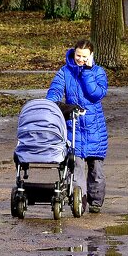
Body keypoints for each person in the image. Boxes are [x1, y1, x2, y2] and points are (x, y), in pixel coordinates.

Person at [47, 38, 109, 212]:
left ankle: (96, 203)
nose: (80, 59)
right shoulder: (65, 72)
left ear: (91, 56)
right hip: (73, 127)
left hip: (94, 128)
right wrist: (53, 103)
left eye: (84, 56)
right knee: (77, 168)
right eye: (78, 55)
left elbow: (95, 94)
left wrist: (87, 72)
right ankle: (79, 202)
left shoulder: (98, 72)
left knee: (96, 170)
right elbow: (55, 89)